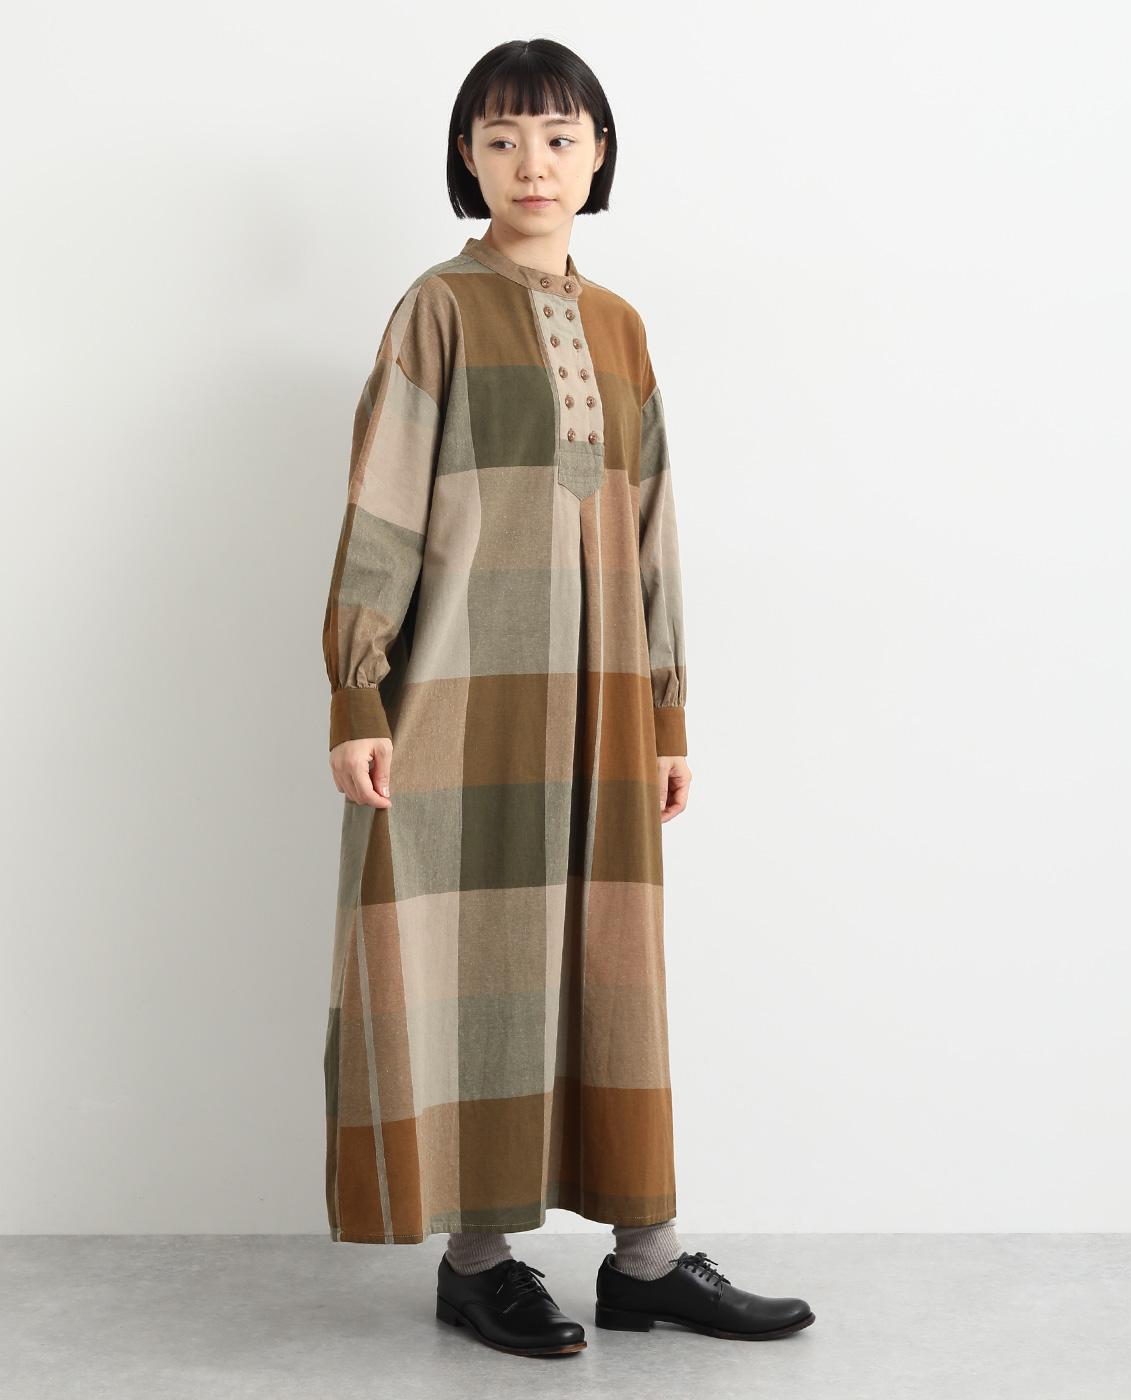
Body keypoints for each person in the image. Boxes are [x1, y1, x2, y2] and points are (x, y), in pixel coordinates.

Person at [321, 37, 814, 1357]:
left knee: (609, 961)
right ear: (465, 159)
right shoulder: (437, 307)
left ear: (598, 155)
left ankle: (644, 1262)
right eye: (500, 139)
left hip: (602, 703)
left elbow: (650, 531)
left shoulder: (621, 327)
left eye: (557, 135)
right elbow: (383, 506)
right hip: (459, 696)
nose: (530, 163)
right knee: (479, 962)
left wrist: (668, 712)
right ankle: (477, 1263)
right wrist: (358, 694)